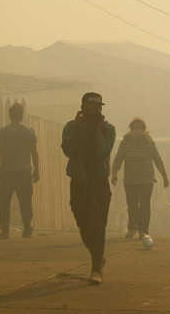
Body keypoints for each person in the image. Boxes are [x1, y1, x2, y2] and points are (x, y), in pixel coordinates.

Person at [61, 92, 116, 285]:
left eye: (95, 110)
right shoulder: (71, 127)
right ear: (82, 109)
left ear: (100, 110)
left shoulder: (108, 129)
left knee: (98, 226)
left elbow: (103, 152)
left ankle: (95, 269)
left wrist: (97, 131)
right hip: (79, 182)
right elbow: (68, 151)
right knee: (83, 223)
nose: (91, 113)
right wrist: (78, 130)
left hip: (99, 183)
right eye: (87, 110)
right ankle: (98, 257)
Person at [110, 117, 169, 240]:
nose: (136, 130)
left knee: (145, 205)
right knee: (132, 205)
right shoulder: (125, 143)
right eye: (134, 128)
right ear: (130, 129)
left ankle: (143, 231)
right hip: (130, 180)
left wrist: (164, 176)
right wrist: (114, 174)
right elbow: (118, 159)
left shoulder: (149, 143)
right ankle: (132, 228)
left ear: (143, 130)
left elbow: (158, 160)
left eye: (139, 128)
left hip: (146, 180)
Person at [0, 102, 40, 239]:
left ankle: (5, 231)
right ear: (22, 115)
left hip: (7, 172)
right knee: (25, 201)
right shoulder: (29, 131)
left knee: (3, 202)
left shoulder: (4, 131)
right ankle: (27, 229)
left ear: (10, 115)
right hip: (24, 172)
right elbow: (34, 152)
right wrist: (36, 170)